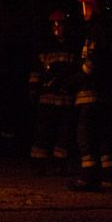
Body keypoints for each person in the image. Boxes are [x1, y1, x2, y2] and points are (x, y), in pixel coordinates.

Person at [70, 0, 112, 191]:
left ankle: (88, 177)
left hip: (91, 94)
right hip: (102, 94)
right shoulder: (103, 30)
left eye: (87, 6)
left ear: (95, 7)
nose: (84, 11)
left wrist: (72, 80)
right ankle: (107, 179)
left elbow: (91, 65)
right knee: (103, 137)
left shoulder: (97, 32)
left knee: (86, 137)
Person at [28, 10, 79, 175]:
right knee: (42, 133)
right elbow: (36, 70)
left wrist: (69, 85)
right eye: (55, 24)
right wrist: (33, 89)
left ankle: (59, 164)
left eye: (61, 24)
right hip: (47, 98)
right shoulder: (45, 46)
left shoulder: (72, 46)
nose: (58, 27)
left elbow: (76, 71)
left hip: (64, 98)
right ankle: (38, 164)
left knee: (63, 134)